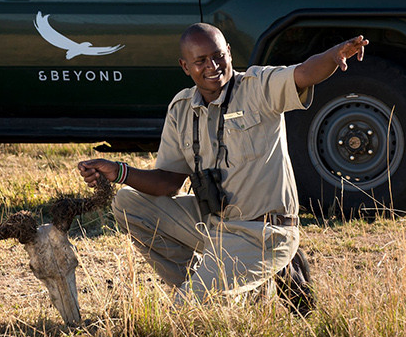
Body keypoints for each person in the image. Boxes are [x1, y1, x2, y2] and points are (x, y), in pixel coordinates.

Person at [78, 23, 368, 310]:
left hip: (263, 233)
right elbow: (168, 183)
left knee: (186, 311)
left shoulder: (257, 88)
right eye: (200, 61)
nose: (212, 66)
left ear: (229, 52)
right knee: (128, 203)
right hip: (215, 227)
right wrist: (118, 171)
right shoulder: (181, 109)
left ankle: (219, 289)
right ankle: (210, 286)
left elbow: (304, 73)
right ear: (184, 66)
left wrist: (333, 56)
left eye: (218, 56)